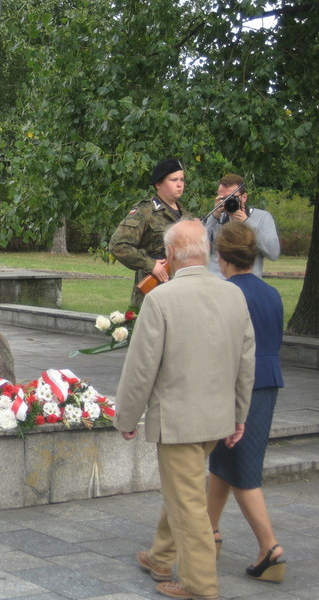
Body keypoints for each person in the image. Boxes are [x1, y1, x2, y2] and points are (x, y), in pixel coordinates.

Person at [114, 219, 255, 600]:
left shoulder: (162, 298)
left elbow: (141, 367)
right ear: (206, 252)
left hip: (177, 423)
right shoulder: (234, 295)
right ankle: (161, 557)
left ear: (171, 254)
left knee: (189, 503)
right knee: (186, 489)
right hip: (217, 419)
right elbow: (246, 361)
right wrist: (240, 415)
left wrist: (126, 416)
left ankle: (200, 585)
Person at [207, 221, 286, 583]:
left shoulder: (227, 293)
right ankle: (208, 532)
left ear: (221, 256)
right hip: (268, 383)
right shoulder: (271, 293)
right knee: (224, 461)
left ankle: (270, 548)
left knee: (244, 471)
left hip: (240, 385)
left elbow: (222, 347)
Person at [109, 158, 191, 307]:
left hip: (181, 291)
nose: (180, 184)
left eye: (182, 180)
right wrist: (150, 264)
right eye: (174, 180)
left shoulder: (186, 215)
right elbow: (118, 245)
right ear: (158, 184)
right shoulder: (145, 211)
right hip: (154, 291)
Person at [205, 173, 280, 278]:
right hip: (217, 282)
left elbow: (274, 253)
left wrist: (247, 222)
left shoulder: (262, 218)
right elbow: (197, 248)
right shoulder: (216, 218)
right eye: (223, 199)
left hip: (248, 282)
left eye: (231, 198)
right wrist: (213, 217)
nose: (228, 202)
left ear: (244, 197)